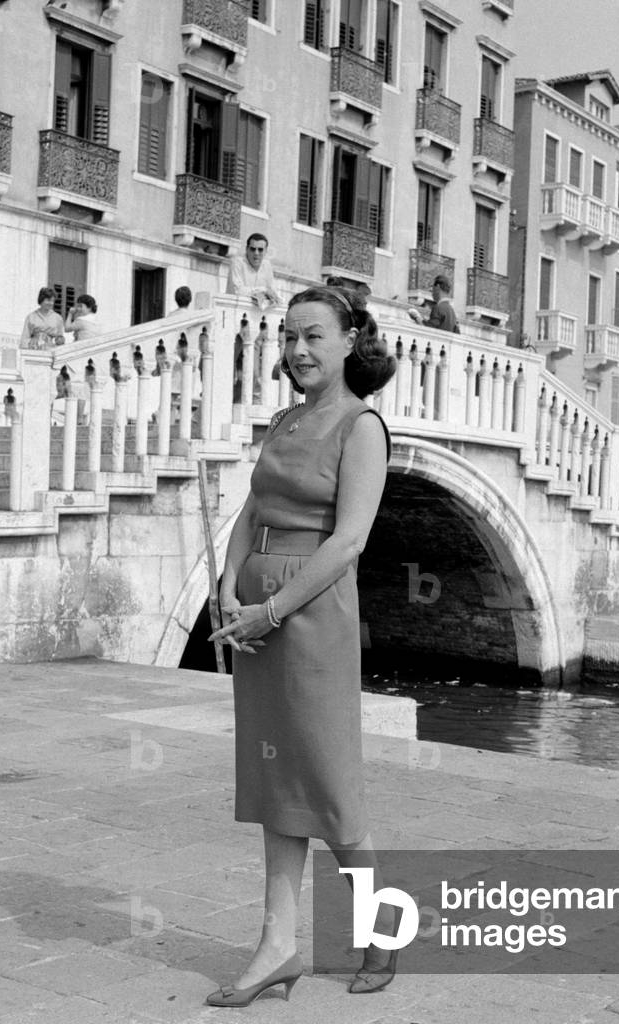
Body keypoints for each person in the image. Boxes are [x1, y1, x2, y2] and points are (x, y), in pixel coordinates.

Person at [206, 286, 398, 1007]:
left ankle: (383, 926)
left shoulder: (362, 427)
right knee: (274, 782)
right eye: (288, 337)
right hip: (256, 602)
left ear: (350, 341)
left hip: (311, 611)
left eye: (313, 336)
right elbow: (253, 506)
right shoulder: (286, 419)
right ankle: (278, 946)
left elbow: (348, 541)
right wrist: (227, 586)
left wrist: (272, 609)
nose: (297, 350)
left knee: (324, 778)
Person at [229, 233, 280, 310]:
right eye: (253, 249)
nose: (256, 253)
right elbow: (238, 290)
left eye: (260, 250)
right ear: (247, 249)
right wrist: (263, 290)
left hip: (258, 314)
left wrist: (269, 294)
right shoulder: (237, 263)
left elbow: (272, 291)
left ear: (266, 251)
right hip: (234, 311)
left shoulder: (267, 265)